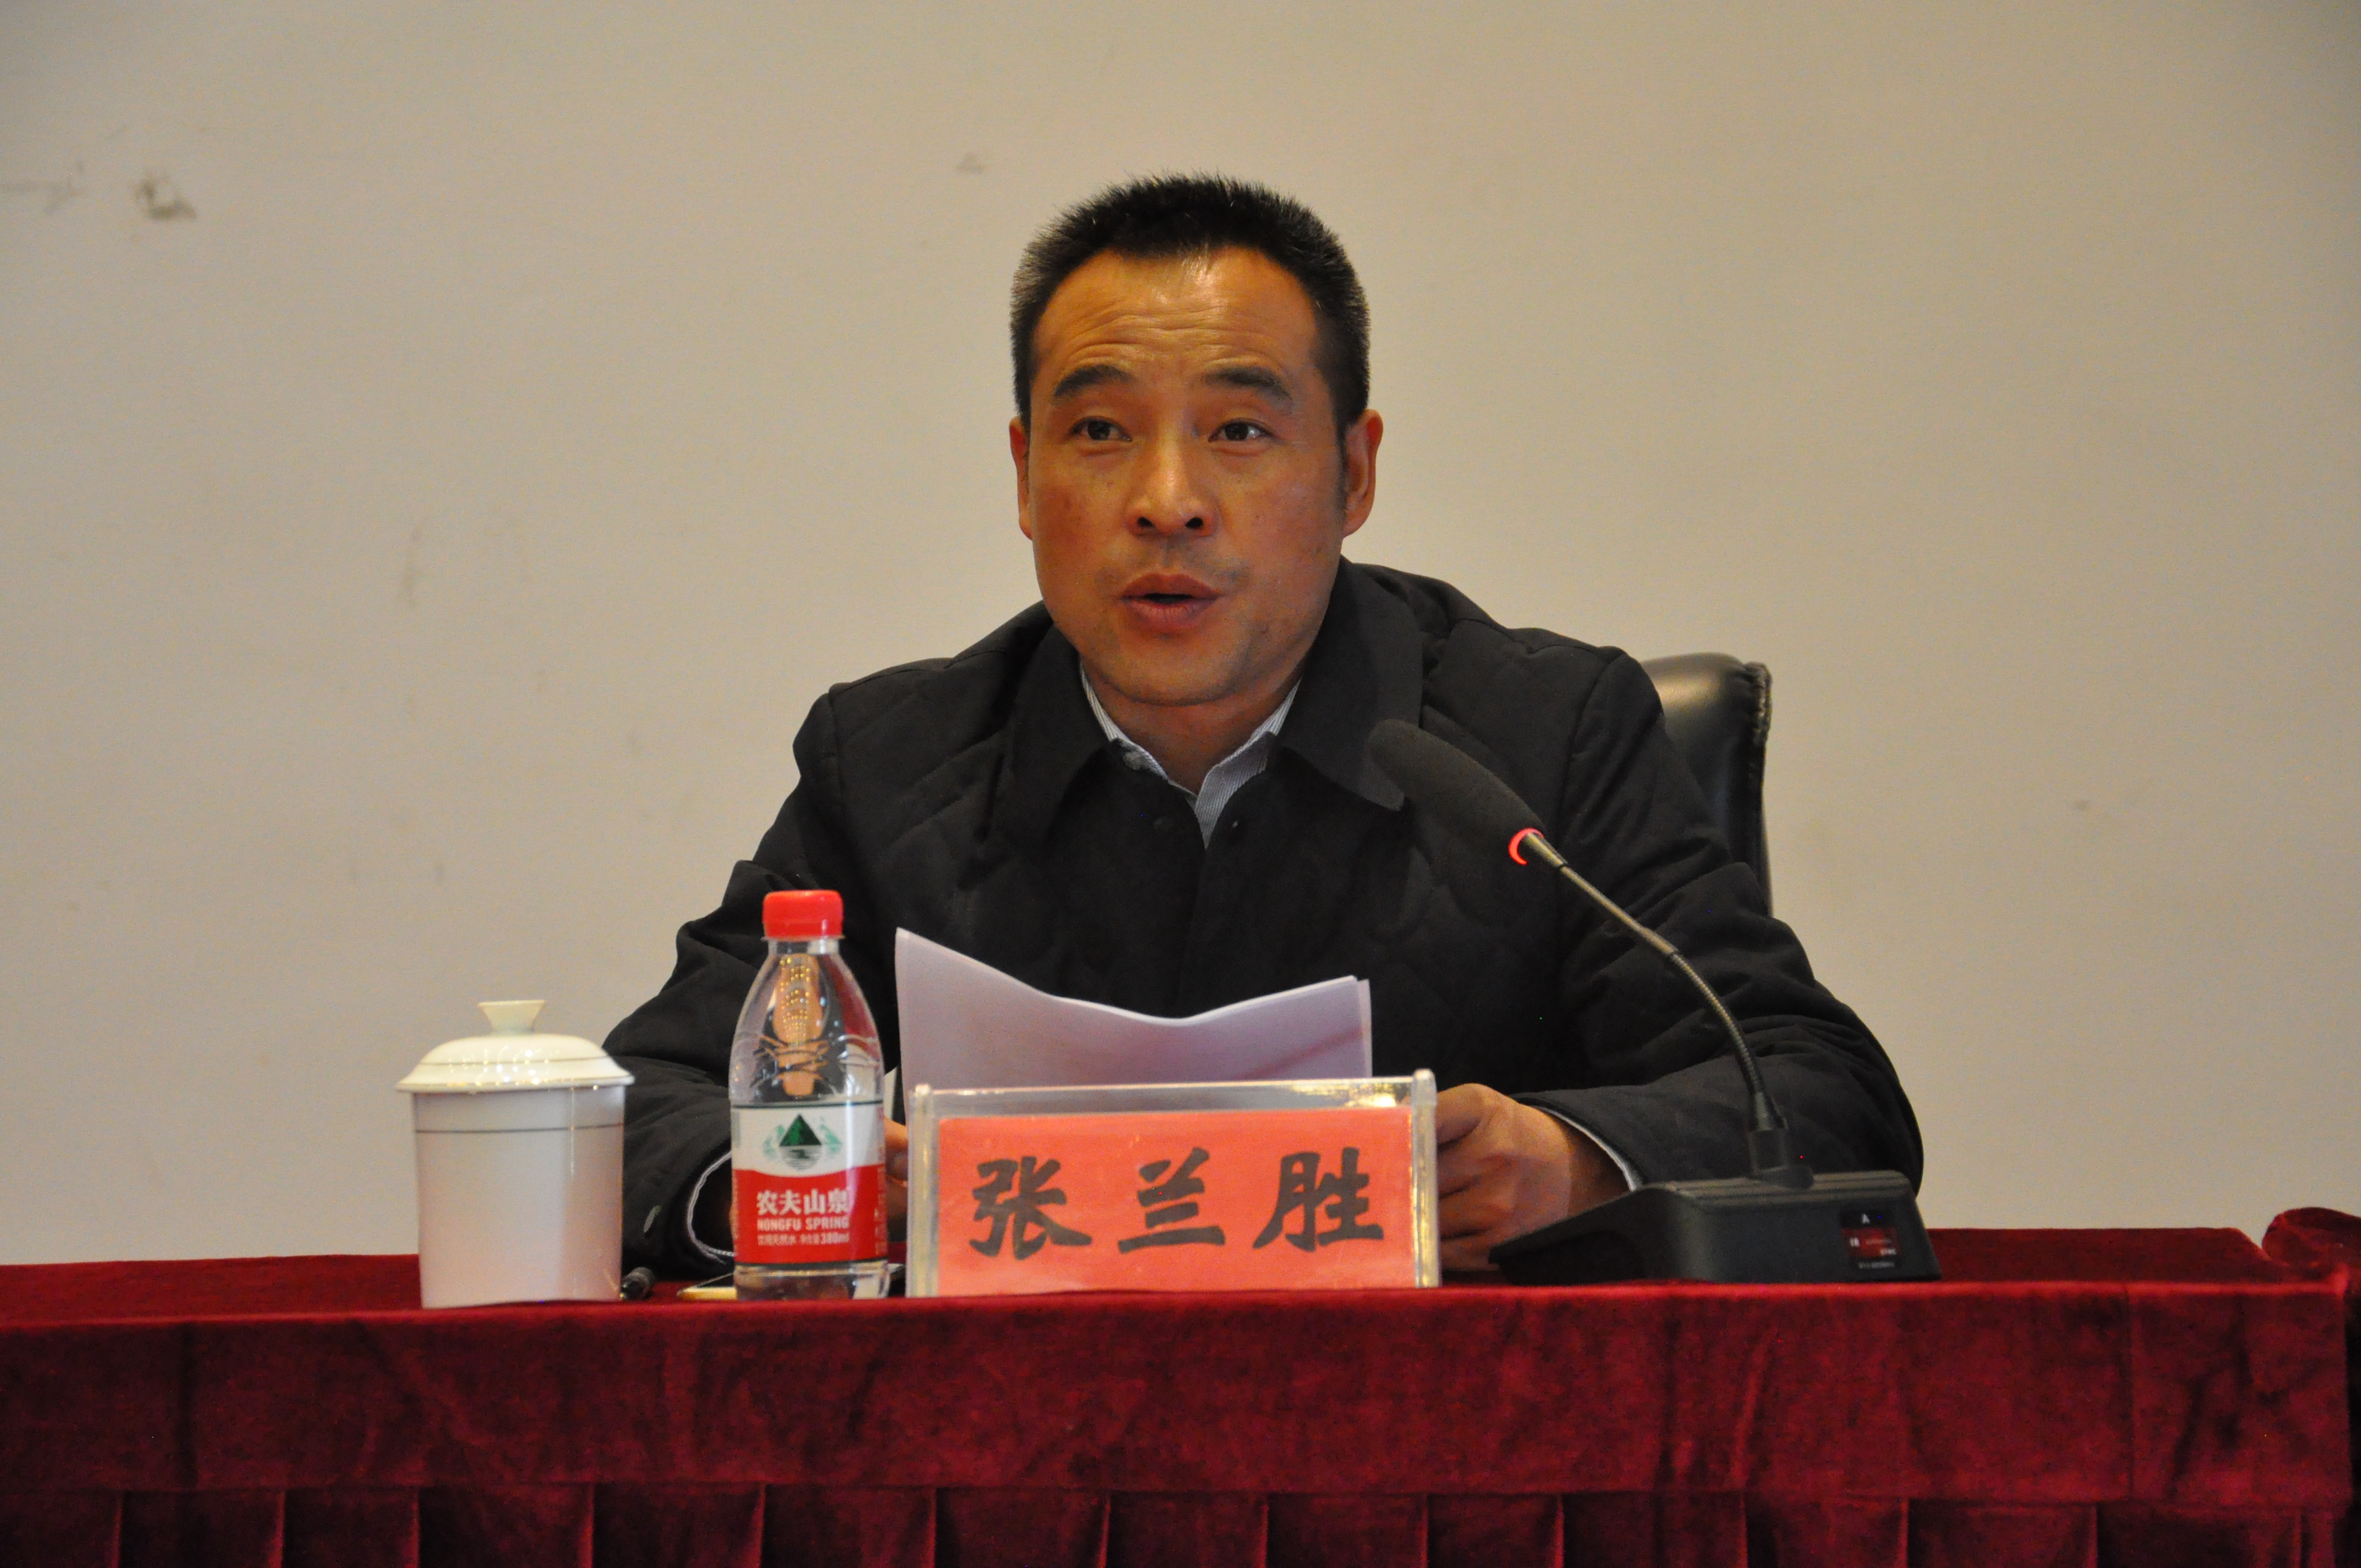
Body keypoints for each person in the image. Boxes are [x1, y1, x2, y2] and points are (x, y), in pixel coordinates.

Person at [607, 174, 1922, 1276]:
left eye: (1238, 429)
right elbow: (639, 1109)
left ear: (1353, 471)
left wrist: (1578, 1161)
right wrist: (800, 1184)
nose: (1166, 499)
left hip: (1448, 1435)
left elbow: (1815, 1089)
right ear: (1022, 473)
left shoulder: (1543, 734)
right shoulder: (890, 761)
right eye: (1100, 429)